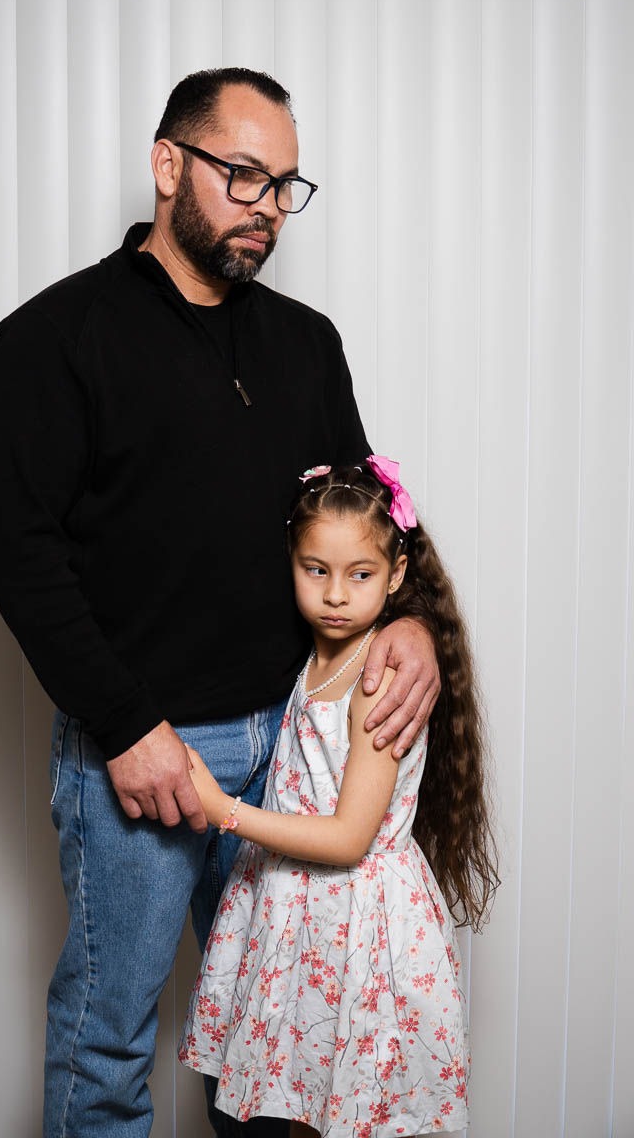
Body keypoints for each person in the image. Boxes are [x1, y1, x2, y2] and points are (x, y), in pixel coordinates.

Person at [0, 68, 441, 1137]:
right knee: (106, 1045)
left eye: (283, 184)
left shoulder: (304, 340)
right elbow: (15, 551)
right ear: (166, 164)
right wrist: (128, 727)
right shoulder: (53, 340)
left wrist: (411, 619)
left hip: (296, 751)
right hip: (134, 755)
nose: (266, 207)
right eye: (241, 175)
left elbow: (363, 511)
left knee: (272, 1040)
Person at [179, 459, 499, 1137]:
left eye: (360, 574)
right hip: (304, 922)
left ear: (398, 574)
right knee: (306, 1107)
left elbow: (351, 836)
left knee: (353, 1116)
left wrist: (223, 811)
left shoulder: (379, 672)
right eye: (315, 569)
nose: (334, 594)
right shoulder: (320, 652)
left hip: (360, 929)